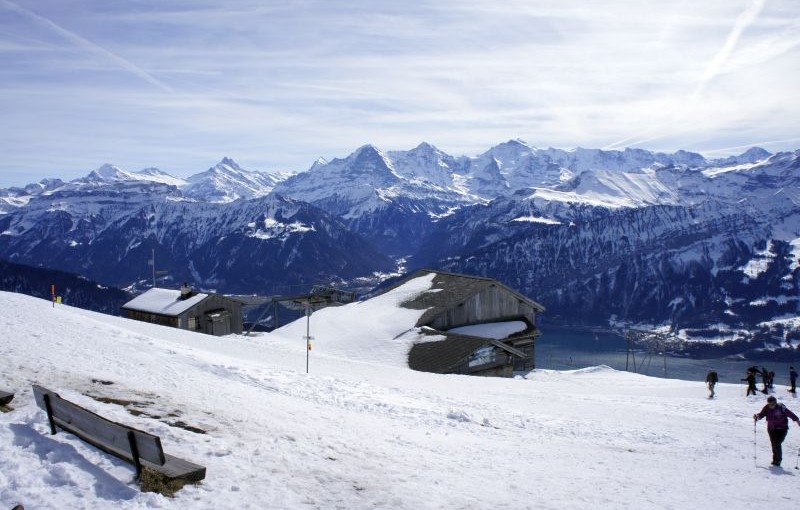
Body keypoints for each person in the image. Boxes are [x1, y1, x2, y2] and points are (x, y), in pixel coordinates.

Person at [753, 395, 800, 466]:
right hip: (771, 429)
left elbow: (791, 414)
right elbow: (761, 414)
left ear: (776, 402)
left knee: (777, 443)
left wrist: (797, 421)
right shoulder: (766, 408)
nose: (772, 406)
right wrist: (757, 417)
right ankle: (775, 459)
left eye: (774, 404)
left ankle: (778, 460)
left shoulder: (781, 408)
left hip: (782, 429)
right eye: (770, 404)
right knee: (774, 444)